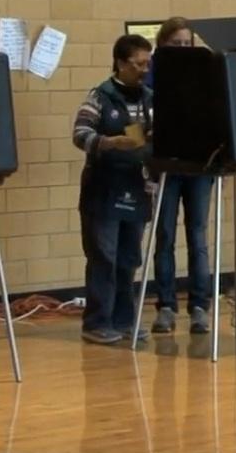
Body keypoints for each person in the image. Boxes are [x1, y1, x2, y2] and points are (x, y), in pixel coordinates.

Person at [73, 34, 155, 344]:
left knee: (129, 258)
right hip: (103, 188)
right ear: (120, 63)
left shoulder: (150, 98)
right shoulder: (100, 96)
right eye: (138, 64)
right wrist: (109, 143)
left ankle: (124, 320)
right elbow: (80, 134)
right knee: (103, 256)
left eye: (147, 64)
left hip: (137, 186)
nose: (144, 70)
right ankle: (97, 322)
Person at [146, 18, 213, 335]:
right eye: (176, 44)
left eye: (187, 44)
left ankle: (199, 306)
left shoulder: (203, 74)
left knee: (198, 238)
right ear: (163, 45)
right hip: (166, 165)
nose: (183, 49)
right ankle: (166, 306)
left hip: (198, 166)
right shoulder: (152, 74)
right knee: (165, 237)